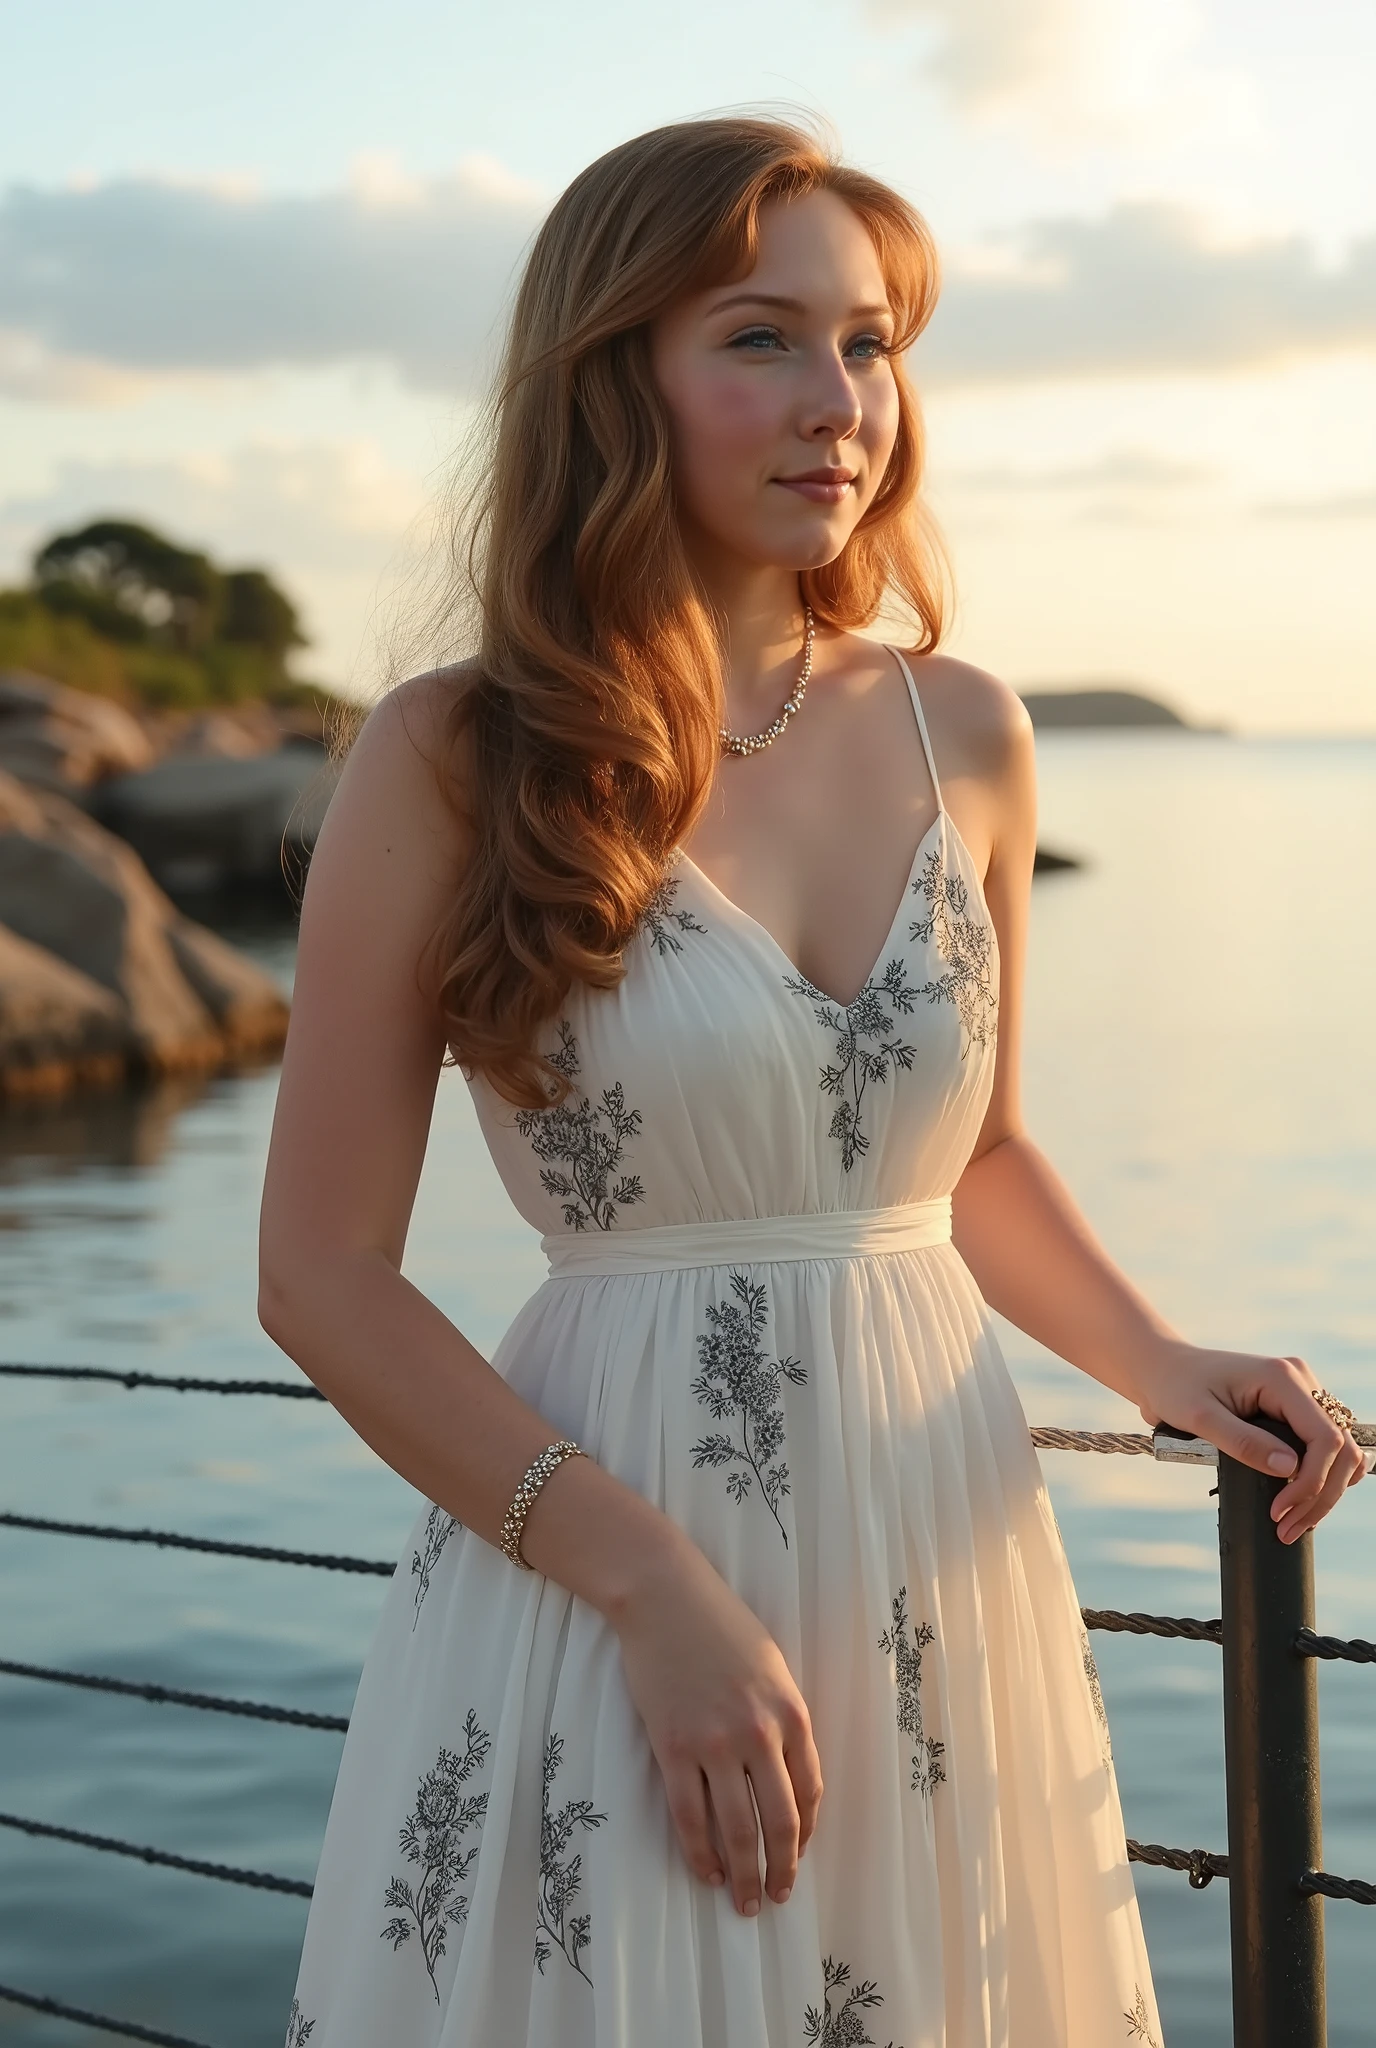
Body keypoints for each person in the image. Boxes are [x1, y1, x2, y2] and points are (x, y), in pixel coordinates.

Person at [257, 114, 1365, 2048]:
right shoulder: (453, 755)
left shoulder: (970, 732)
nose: (839, 402)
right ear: (617, 377)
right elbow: (320, 1273)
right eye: (761, 339)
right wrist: (654, 1593)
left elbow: (976, 1149)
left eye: (871, 344)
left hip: (938, 1542)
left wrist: (1161, 1365)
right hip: (602, 1561)